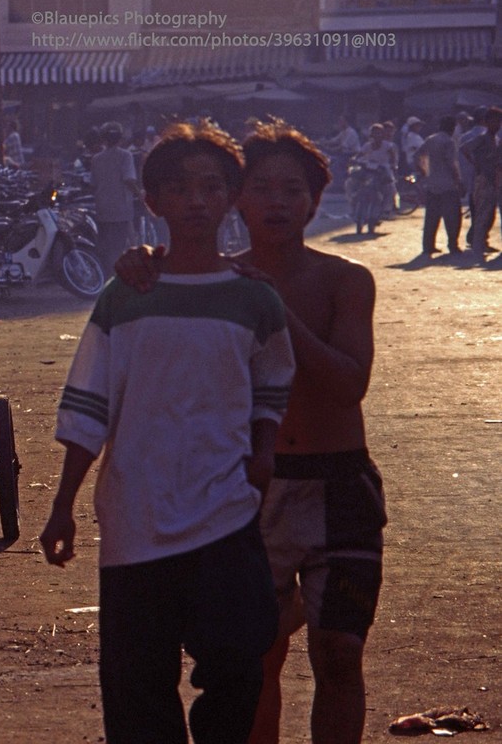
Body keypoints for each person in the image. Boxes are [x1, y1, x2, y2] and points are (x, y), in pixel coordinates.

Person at [113, 120, 385, 744]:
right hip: (246, 492)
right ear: (238, 197)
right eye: (263, 187)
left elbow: (349, 384)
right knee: (256, 658)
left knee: (340, 652)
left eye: (294, 190)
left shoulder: (344, 280)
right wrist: (141, 264)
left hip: (339, 486)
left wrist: (277, 311)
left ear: (316, 200)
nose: (279, 203)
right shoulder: (211, 280)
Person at [41, 121, 295, 744]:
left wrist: (262, 453)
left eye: (212, 187)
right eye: (179, 189)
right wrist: (63, 505)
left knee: (239, 667)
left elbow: (272, 382)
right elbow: (88, 407)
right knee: (137, 690)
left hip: (225, 513)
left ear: (232, 197)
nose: (196, 201)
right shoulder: (124, 296)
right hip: (134, 518)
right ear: (152, 201)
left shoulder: (254, 300)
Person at [88, 122, 141, 269]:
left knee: (106, 248)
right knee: (118, 247)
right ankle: (115, 278)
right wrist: (140, 195)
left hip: (102, 209)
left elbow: (93, 184)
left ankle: (106, 277)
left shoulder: (96, 159)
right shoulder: (126, 156)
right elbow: (129, 180)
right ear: (120, 138)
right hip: (120, 209)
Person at [414, 115, 464, 256]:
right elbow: (451, 164)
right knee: (453, 217)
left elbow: (418, 155)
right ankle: (453, 245)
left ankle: (428, 246)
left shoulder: (431, 139)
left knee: (431, 217)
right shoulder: (448, 142)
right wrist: (458, 181)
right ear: (452, 127)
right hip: (447, 185)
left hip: (432, 184)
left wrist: (424, 171)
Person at [463, 106, 502, 262]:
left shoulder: (496, 139)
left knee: (490, 215)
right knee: (482, 215)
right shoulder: (482, 138)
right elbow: (464, 148)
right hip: (485, 179)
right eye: (494, 121)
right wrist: (476, 164)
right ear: (486, 122)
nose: (497, 124)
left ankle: (482, 244)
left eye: (499, 121)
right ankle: (477, 247)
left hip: (495, 179)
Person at [353, 123, 397, 234]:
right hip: (369, 172)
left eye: (379, 132)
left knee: (390, 189)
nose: (377, 135)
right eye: (374, 132)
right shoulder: (367, 146)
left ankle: (385, 211)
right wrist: (354, 160)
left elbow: (393, 159)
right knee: (352, 185)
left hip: (383, 172)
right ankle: (355, 210)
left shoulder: (388, 146)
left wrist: (393, 165)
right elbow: (359, 156)